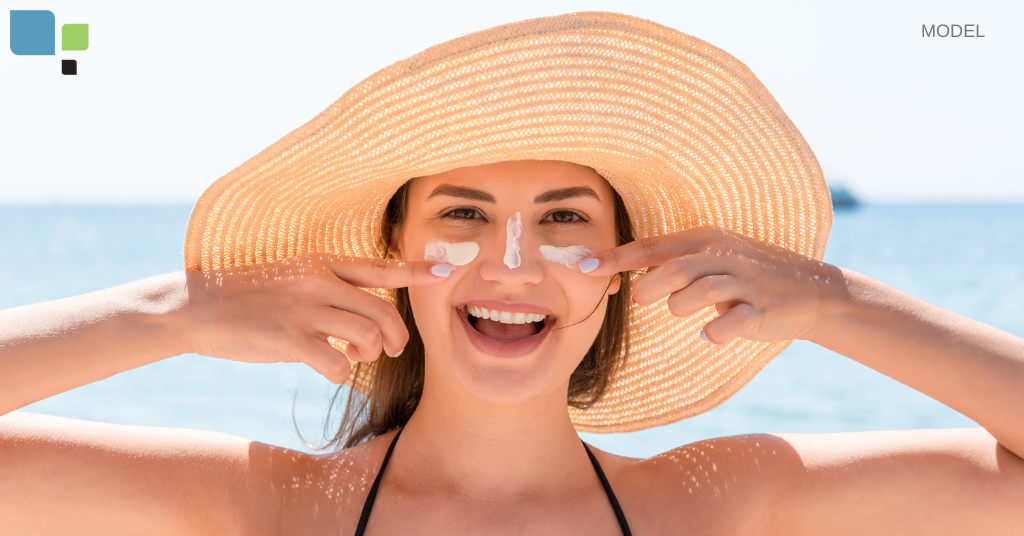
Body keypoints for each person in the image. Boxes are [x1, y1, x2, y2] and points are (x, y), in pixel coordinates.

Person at [3, 11, 1023, 536]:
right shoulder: (268, 504)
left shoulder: (713, 501)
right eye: (462, 216)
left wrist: (832, 302)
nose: (512, 261)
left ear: (621, 273)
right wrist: (172, 313)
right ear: (395, 263)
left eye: (565, 219)